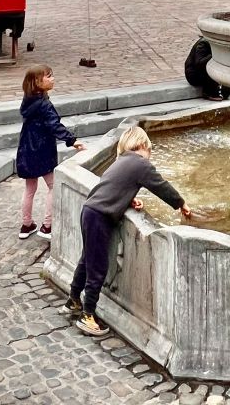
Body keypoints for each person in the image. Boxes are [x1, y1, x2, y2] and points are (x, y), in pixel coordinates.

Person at [67, 125, 192, 336]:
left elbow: (112, 187)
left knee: (87, 259)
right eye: (149, 153)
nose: (148, 158)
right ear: (143, 146)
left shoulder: (122, 161)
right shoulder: (141, 164)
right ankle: (88, 315)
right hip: (100, 217)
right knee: (98, 266)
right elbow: (160, 185)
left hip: (90, 210)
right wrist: (181, 203)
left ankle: (73, 299)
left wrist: (128, 198)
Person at [15, 65, 85, 240]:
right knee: (53, 185)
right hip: (42, 149)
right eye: (48, 76)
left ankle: (26, 225)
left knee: (30, 188)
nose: (53, 79)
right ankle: (48, 226)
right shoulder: (44, 105)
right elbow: (54, 125)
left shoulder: (28, 100)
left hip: (26, 147)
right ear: (37, 82)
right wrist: (72, 140)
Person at [184, 35, 228, 101]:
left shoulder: (213, 42)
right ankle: (208, 92)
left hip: (202, 72)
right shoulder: (203, 43)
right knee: (213, 66)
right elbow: (199, 63)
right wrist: (214, 55)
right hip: (194, 75)